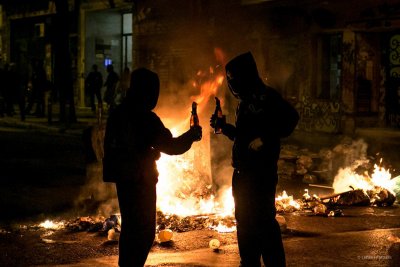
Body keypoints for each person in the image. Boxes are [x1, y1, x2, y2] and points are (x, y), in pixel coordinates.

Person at [103, 67, 202, 267]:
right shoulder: (145, 118)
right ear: (146, 91)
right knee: (144, 232)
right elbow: (171, 147)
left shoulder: (118, 112)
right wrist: (191, 135)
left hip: (124, 180)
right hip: (141, 181)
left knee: (130, 230)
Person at [210, 52, 299, 267]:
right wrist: (226, 128)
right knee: (245, 222)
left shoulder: (267, 97)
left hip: (260, 173)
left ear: (246, 75)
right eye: (229, 78)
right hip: (242, 173)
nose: (231, 83)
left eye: (233, 78)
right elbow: (244, 135)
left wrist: (265, 138)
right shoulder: (246, 101)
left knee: (263, 222)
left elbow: (291, 119)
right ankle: (248, 262)